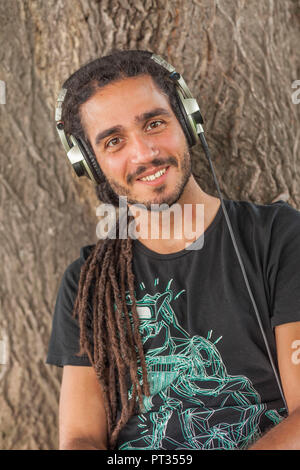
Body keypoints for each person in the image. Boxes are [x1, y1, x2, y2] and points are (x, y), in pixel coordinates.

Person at [46, 49, 300, 451]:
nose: (144, 153)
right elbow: (80, 436)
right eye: (114, 141)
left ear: (187, 121)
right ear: (90, 164)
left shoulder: (279, 238)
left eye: (155, 123)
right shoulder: (87, 282)